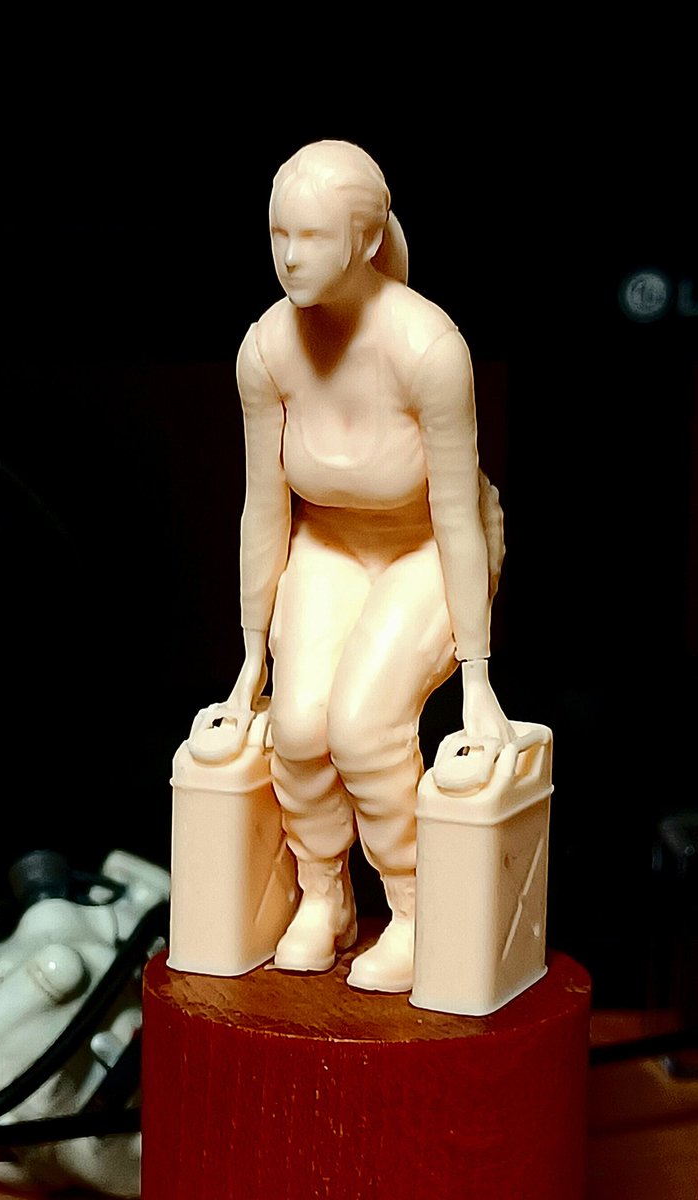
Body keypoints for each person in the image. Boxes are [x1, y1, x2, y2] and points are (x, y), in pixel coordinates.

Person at [189, 140, 512, 993]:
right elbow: (265, 508)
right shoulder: (266, 350)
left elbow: (457, 515)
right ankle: (324, 897)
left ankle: (412, 911)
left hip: (424, 547)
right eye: (278, 235)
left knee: (363, 727)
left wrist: (478, 675)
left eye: (314, 237)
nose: (291, 257)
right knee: (298, 729)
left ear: (366, 242)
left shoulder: (429, 347)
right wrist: (251, 655)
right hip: (329, 544)